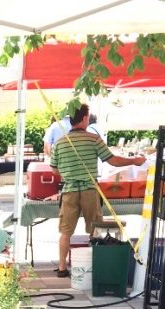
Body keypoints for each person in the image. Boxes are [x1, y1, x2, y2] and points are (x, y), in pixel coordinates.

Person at [50, 103, 146, 278]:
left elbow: (55, 170)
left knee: (65, 232)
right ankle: (95, 266)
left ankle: (62, 268)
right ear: (85, 118)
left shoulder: (59, 142)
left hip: (69, 190)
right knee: (95, 229)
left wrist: (69, 173)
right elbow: (113, 160)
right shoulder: (93, 139)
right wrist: (134, 161)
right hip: (90, 190)